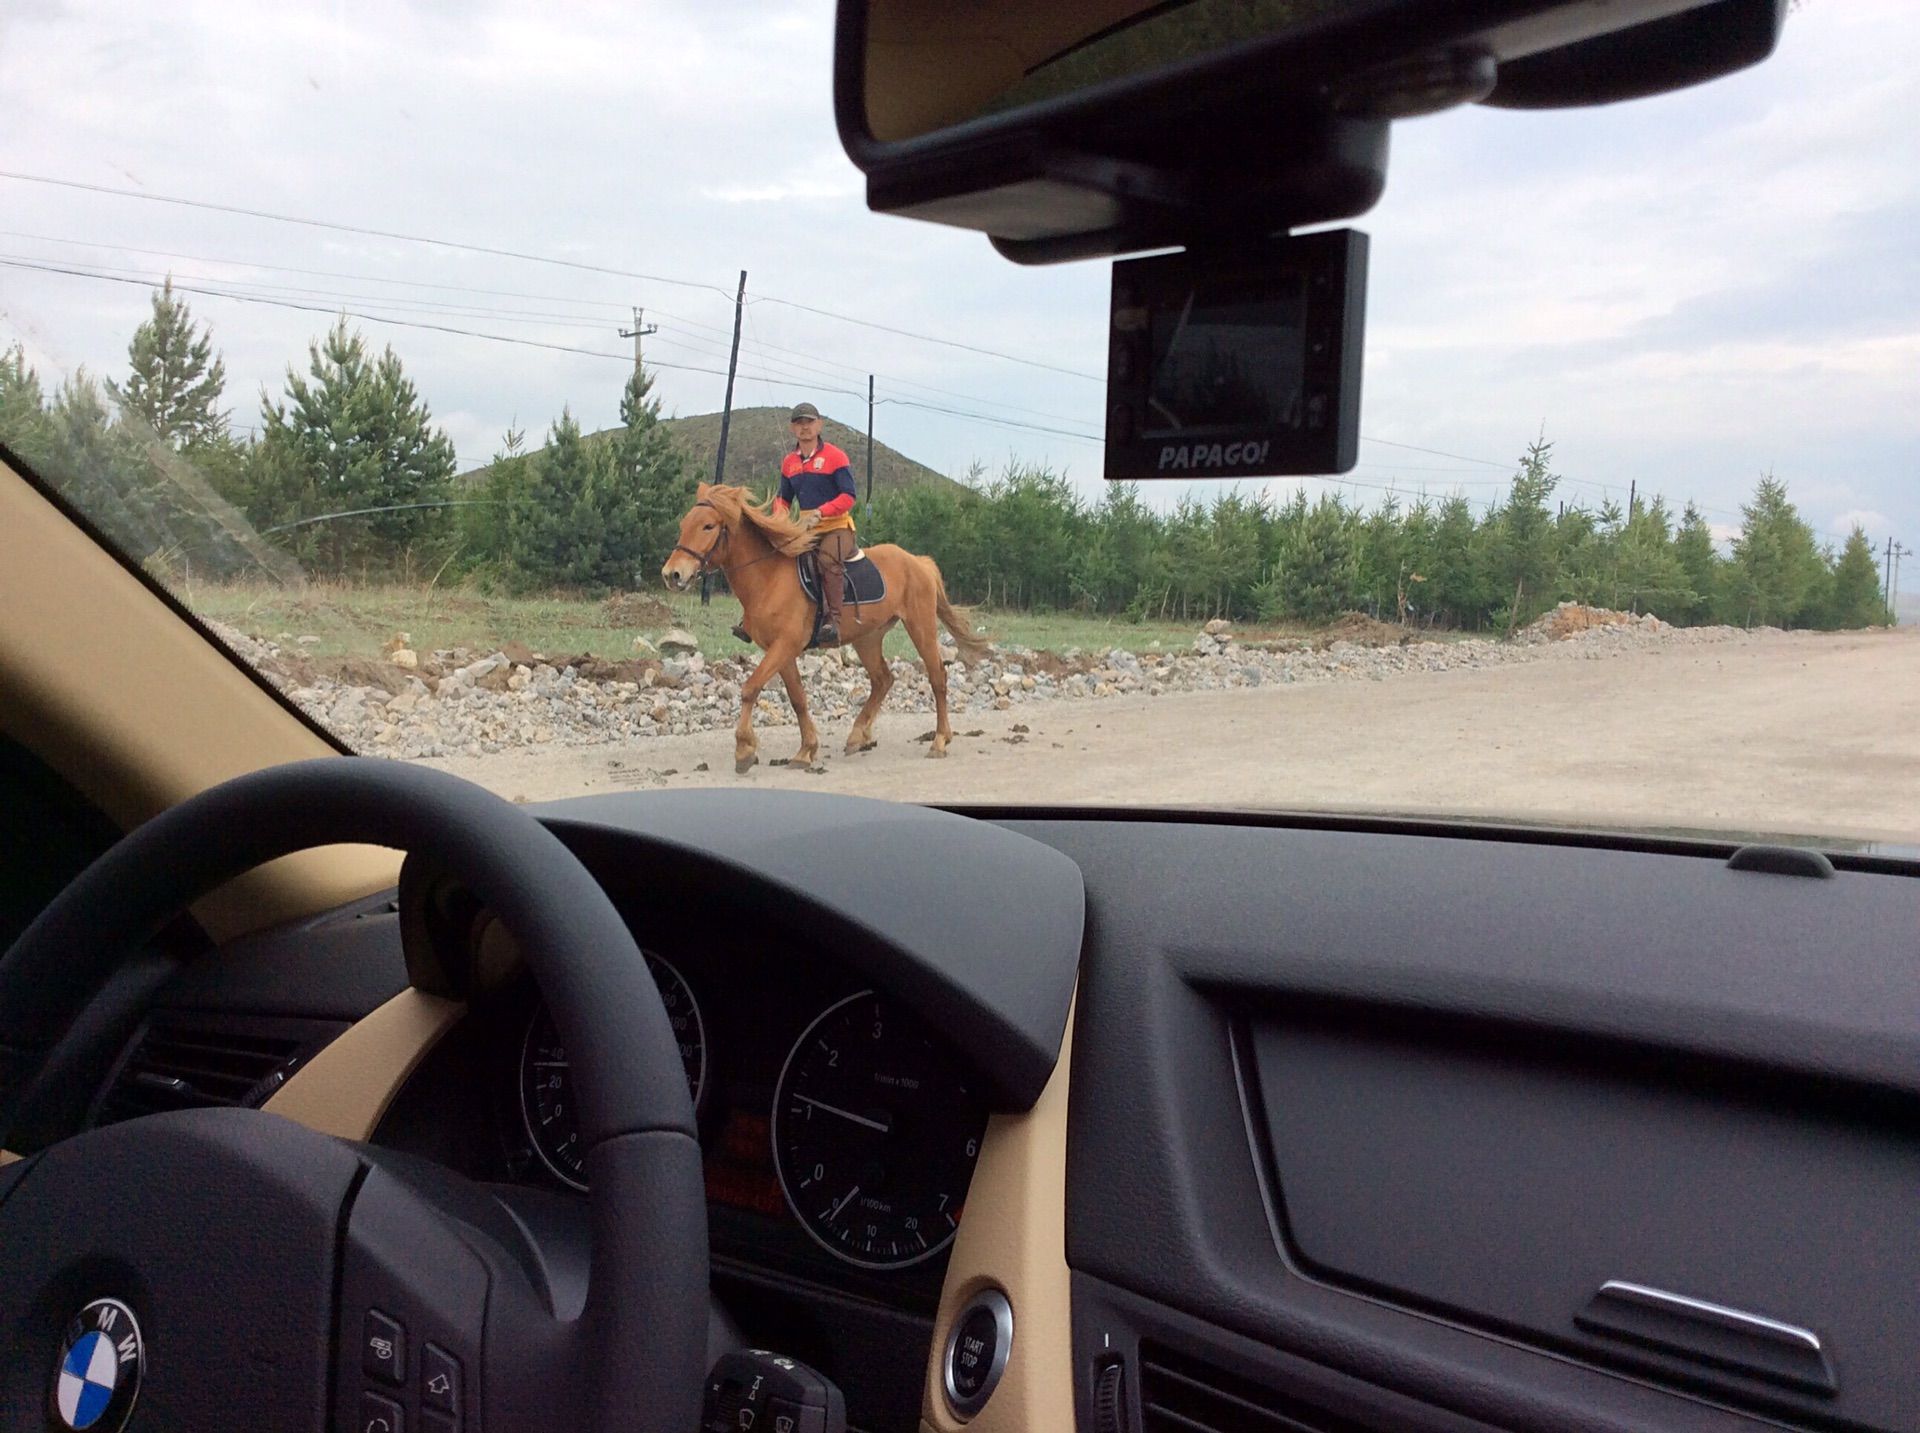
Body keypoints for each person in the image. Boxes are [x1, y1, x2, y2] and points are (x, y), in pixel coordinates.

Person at [771, 401, 858, 644]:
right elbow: (783, 498)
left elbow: (849, 496)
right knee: (776, 558)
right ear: (792, 428)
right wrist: (779, 515)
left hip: (837, 526)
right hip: (805, 528)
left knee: (827, 561)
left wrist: (822, 511)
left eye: (809, 422)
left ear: (819, 425)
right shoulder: (789, 462)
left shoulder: (836, 456)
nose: (805, 427)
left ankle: (833, 621)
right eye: (799, 423)